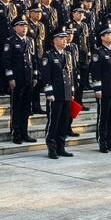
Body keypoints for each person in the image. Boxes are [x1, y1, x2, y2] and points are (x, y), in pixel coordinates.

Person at [39, 30, 76, 158]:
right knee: (53, 122)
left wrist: (71, 91)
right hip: (55, 94)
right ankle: (52, 147)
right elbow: (46, 75)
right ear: (54, 40)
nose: (65, 40)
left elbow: (70, 75)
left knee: (64, 122)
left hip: (66, 93)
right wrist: (49, 92)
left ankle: (61, 146)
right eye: (61, 38)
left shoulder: (68, 55)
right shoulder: (48, 55)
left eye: (66, 38)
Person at [89, 26, 111, 152]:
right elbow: (95, 72)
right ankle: (102, 141)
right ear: (102, 37)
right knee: (103, 117)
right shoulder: (98, 52)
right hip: (104, 89)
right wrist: (97, 89)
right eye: (108, 35)